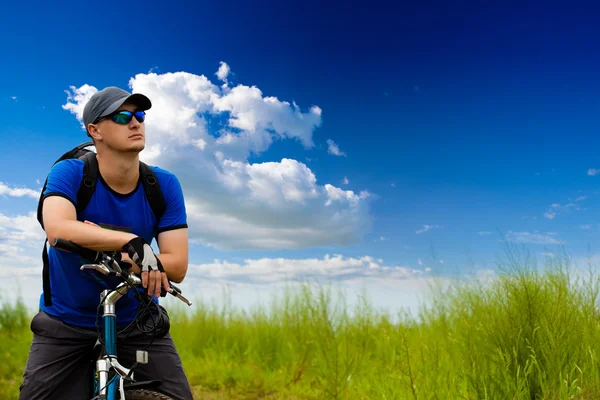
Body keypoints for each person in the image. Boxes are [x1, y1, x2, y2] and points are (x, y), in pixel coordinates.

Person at [19, 86, 195, 400]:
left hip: (137, 321)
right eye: (122, 116)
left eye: (140, 115)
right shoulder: (70, 173)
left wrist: (131, 256)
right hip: (66, 320)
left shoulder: (163, 184)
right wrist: (131, 242)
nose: (136, 123)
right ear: (95, 130)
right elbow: (58, 229)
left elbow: (177, 264)